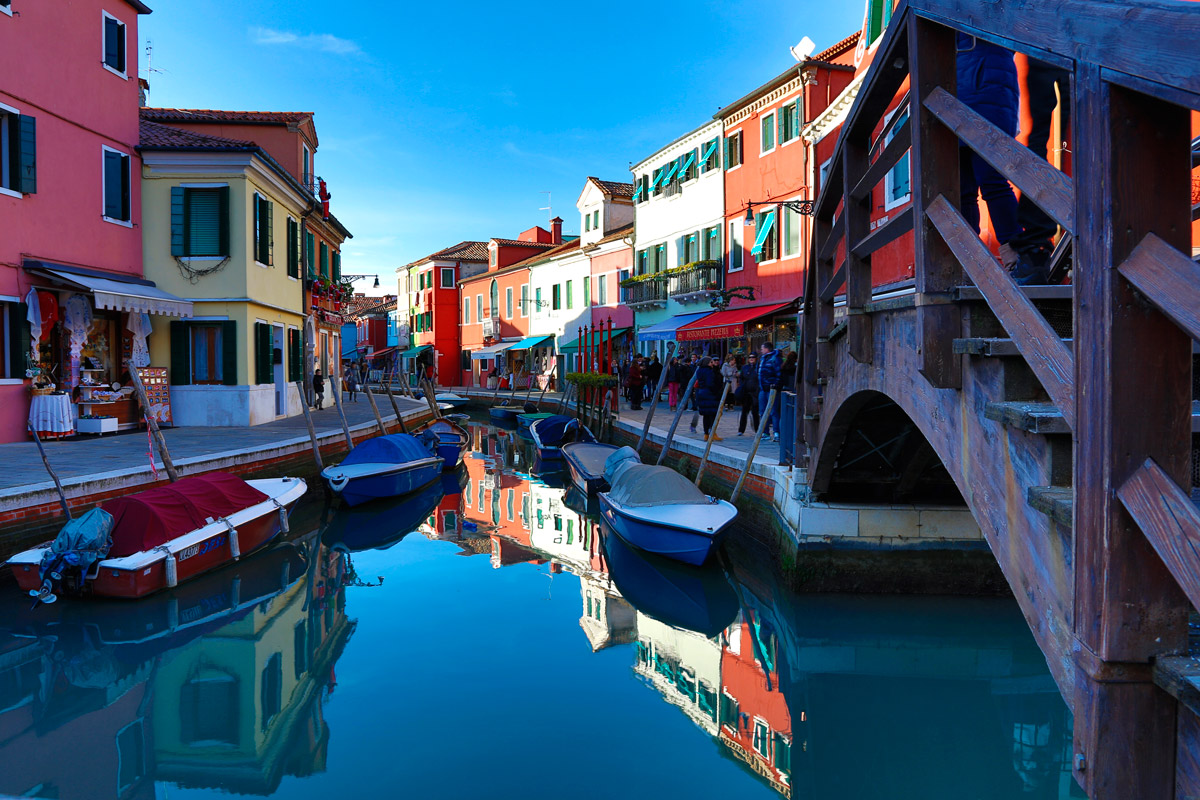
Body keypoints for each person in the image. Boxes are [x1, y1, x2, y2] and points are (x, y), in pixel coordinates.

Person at [956, 33, 1042, 285]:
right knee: (965, 187)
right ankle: (974, 260)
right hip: (966, 87)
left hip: (982, 85)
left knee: (990, 178)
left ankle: (1016, 254)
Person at [757, 342, 782, 440]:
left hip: (772, 389)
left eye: (762, 348)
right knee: (763, 411)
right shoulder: (763, 358)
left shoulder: (774, 359)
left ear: (767, 349)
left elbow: (779, 373)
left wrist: (775, 384)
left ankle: (776, 432)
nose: (761, 350)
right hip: (763, 388)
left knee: (774, 411)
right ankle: (765, 432)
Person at [695, 357, 723, 441]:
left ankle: (706, 434)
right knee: (713, 415)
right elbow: (711, 384)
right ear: (707, 363)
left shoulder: (699, 371)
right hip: (710, 395)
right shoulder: (709, 372)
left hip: (702, 393)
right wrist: (717, 392)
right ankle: (713, 433)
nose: (712, 364)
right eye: (711, 362)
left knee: (706, 415)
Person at [737, 353, 760, 436]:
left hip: (755, 392)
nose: (751, 359)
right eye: (750, 357)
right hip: (746, 392)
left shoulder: (758, 367)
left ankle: (757, 430)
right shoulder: (745, 368)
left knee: (755, 412)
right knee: (744, 412)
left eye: (753, 357)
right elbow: (741, 379)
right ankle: (741, 430)